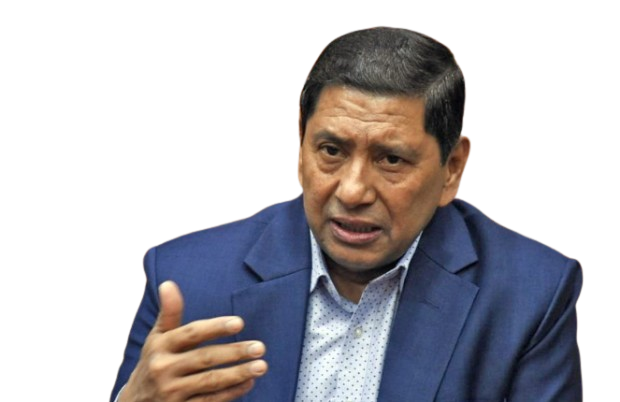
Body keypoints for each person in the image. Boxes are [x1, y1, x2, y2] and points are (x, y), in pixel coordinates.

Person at [110, 26, 583, 402]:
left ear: (452, 168)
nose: (353, 191)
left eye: (391, 159)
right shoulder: (187, 279)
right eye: (332, 151)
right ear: (300, 149)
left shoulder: (530, 296)